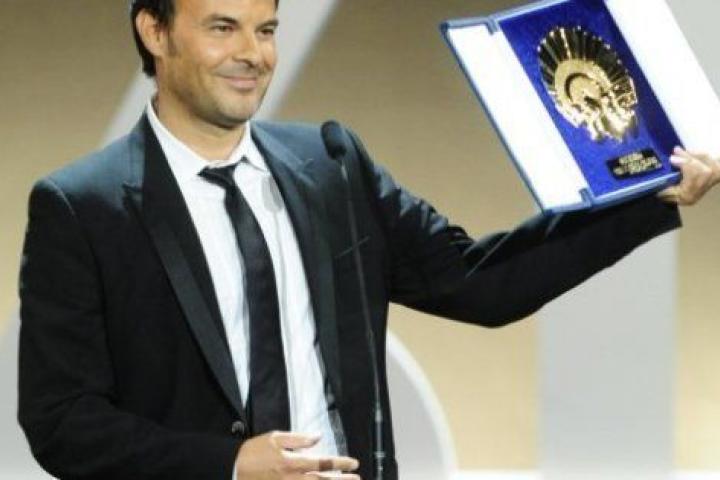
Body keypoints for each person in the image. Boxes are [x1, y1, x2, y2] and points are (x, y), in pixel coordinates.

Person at [16, 0, 720, 479]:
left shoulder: (331, 165)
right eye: (223, 27)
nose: (252, 54)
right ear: (154, 30)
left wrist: (643, 196)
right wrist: (227, 465)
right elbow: (60, 421)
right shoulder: (81, 206)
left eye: (267, 29)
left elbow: (480, 282)